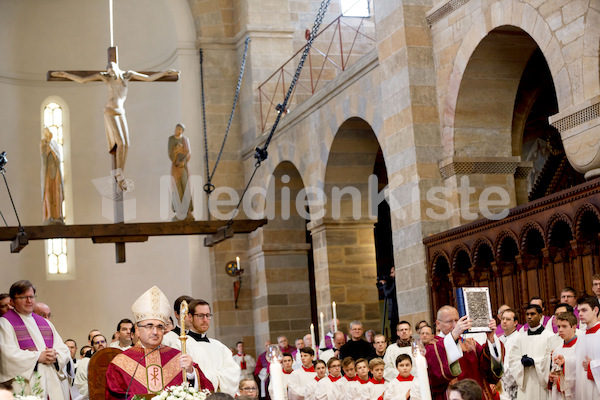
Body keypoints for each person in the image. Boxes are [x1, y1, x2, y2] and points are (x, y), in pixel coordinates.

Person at [52, 63, 179, 179]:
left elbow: (148, 78)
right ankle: (119, 174)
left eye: (112, 70)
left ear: (117, 68)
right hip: (110, 111)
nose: (111, 73)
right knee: (120, 142)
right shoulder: (105, 77)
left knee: (127, 144)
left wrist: (166, 73)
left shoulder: (128, 75)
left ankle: (120, 172)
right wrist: (66, 75)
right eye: (109, 71)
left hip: (120, 111)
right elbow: (83, 80)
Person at [105, 286, 213, 398]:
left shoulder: (178, 357)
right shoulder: (120, 362)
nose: (155, 332)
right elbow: (113, 395)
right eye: (149, 326)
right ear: (137, 330)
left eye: (160, 327)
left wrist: (191, 373)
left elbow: (207, 390)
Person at [0, 281, 71, 399]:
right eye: (23, 297)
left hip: (52, 381)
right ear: (12, 301)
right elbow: (6, 354)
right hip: (27, 382)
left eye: (31, 297)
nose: (29, 301)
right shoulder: (5, 323)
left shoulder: (45, 322)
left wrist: (55, 355)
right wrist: (38, 357)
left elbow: (63, 349)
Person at [425, 305, 503, 400]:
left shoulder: (471, 343)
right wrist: (453, 336)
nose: (455, 325)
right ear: (438, 324)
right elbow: (434, 375)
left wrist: (491, 339)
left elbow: (489, 370)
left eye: (457, 320)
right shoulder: (432, 347)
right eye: (449, 321)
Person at [177, 299, 240, 395]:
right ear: (190, 317)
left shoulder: (219, 346)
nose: (205, 320)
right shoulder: (181, 345)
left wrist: (212, 378)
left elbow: (233, 372)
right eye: (200, 316)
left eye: (208, 315)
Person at [507, 304, 562, 400]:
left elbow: (552, 359)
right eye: (527, 314)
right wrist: (521, 362)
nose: (529, 317)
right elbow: (512, 359)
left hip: (541, 384)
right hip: (525, 383)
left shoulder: (549, 336)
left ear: (540, 316)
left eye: (533, 314)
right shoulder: (520, 338)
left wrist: (534, 362)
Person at [574, 296, 600, 400]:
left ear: (595, 310)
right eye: (579, 310)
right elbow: (577, 364)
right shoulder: (581, 337)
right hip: (583, 389)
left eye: (584, 310)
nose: (580, 314)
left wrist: (592, 366)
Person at [549, 312, 578, 400]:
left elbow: (581, 374)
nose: (560, 330)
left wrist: (566, 362)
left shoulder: (580, 347)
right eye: (558, 327)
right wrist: (551, 376)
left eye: (564, 326)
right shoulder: (557, 350)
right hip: (558, 395)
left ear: (574, 327)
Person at [168, 123, 193, 220]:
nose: (177, 130)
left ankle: (188, 211)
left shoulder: (185, 140)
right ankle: (179, 210)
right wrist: (177, 161)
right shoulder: (171, 139)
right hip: (175, 166)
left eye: (179, 129)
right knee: (176, 187)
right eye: (176, 128)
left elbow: (189, 152)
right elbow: (170, 152)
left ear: (182, 131)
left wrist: (183, 161)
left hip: (184, 166)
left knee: (185, 186)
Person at [40, 127, 65, 225]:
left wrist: (53, 150)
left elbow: (58, 157)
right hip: (47, 173)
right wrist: (47, 148)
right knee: (48, 193)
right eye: (46, 133)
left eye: (49, 133)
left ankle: (58, 215)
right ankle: (49, 215)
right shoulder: (43, 143)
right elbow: (42, 156)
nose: (48, 135)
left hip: (56, 171)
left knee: (57, 193)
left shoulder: (55, 144)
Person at [75, 333, 108, 398]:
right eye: (97, 343)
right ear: (92, 348)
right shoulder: (85, 362)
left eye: (102, 342)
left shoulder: (113, 359)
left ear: (107, 344)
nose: (100, 344)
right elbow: (80, 385)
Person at [498, 308, 520, 400]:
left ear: (515, 323)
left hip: (514, 384)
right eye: (503, 319)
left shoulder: (519, 339)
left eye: (508, 319)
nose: (504, 321)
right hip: (501, 383)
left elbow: (517, 364)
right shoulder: (499, 339)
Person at [379, 267, 399, 343]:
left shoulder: (395, 282)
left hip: (395, 312)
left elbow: (388, 293)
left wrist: (384, 284)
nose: (390, 275)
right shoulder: (392, 282)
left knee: (394, 333)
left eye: (392, 272)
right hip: (393, 312)